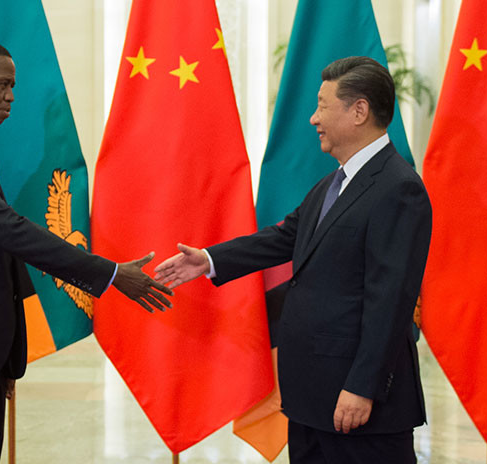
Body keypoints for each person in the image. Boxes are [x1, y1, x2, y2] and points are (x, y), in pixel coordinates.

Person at [0, 39, 172, 463]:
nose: (11, 96)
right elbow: (10, 231)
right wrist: (111, 274)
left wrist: (4, 355)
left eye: (13, 86)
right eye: (2, 84)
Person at [155, 56, 431, 463]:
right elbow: (285, 237)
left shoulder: (398, 188)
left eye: (322, 106)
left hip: (359, 404)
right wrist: (210, 260)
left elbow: (390, 301)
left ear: (359, 111)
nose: (313, 119)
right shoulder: (332, 183)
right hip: (311, 400)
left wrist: (362, 387)